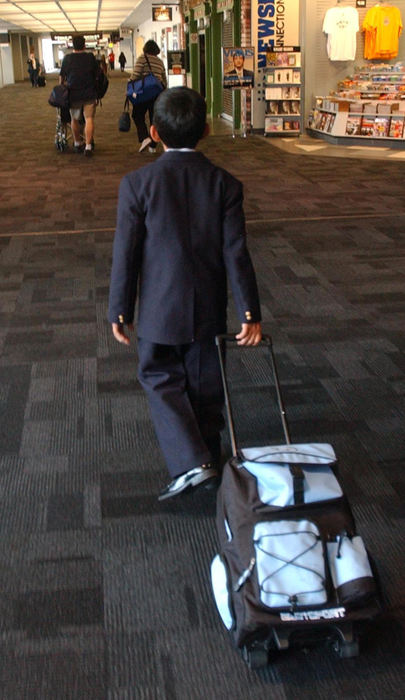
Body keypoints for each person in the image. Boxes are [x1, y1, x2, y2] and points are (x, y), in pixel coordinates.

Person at [108, 87, 262, 501]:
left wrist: (120, 309)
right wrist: (250, 312)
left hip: (159, 308)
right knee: (205, 383)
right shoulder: (225, 184)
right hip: (209, 305)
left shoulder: (137, 183)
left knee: (158, 377)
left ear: (154, 133)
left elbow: (127, 251)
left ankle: (195, 463)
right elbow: (236, 253)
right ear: (208, 129)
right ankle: (208, 457)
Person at [59, 35, 98, 157]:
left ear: (72, 45)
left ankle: (77, 143)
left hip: (73, 93)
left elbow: (61, 77)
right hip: (89, 93)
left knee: (74, 119)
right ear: (84, 45)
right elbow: (97, 74)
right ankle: (88, 146)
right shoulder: (90, 57)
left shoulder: (67, 59)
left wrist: (61, 88)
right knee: (89, 119)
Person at [128, 40, 167, 153]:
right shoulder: (160, 61)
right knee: (154, 118)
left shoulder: (142, 59)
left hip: (143, 93)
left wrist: (130, 82)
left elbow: (135, 75)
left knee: (137, 115)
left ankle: (145, 138)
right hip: (157, 93)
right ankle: (153, 146)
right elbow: (164, 79)